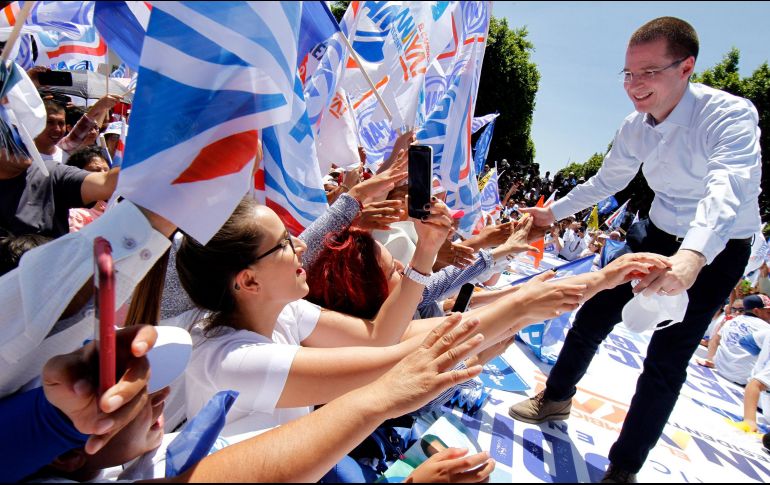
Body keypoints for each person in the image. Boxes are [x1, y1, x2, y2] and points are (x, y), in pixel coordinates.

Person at [509, 17, 761, 482]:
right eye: (627, 73)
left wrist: (693, 256)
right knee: (591, 315)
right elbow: (608, 181)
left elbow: (728, 186)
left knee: (668, 358)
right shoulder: (633, 126)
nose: (634, 86)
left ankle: (624, 467)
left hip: (719, 247)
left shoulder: (730, 114)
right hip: (658, 234)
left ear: (686, 68)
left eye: (648, 72)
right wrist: (554, 211)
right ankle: (556, 398)